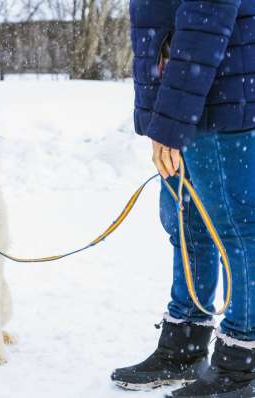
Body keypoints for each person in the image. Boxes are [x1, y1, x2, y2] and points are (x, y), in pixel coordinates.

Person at [110, 1, 255, 397]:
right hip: (189, 104)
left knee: (237, 233)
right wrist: (166, 117)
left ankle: (243, 363)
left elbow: (204, 23)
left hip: (221, 103)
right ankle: (185, 345)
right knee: (189, 227)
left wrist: (171, 123)